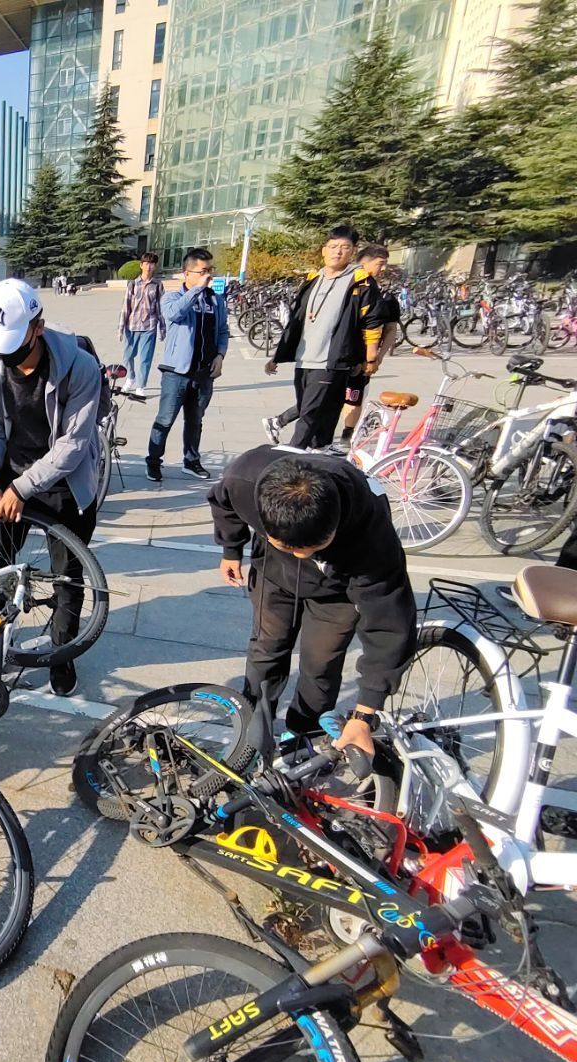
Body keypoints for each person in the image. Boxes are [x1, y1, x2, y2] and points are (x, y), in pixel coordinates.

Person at [209, 447, 417, 760]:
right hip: (273, 576)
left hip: (337, 592)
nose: (301, 556)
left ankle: (302, 738)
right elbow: (222, 501)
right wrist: (231, 549)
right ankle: (251, 727)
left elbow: (390, 623)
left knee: (320, 666)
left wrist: (364, 714)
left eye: (314, 547)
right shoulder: (245, 478)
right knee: (266, 649)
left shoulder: (371, 533)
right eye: (289, 547)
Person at [0, 278, 104, 697]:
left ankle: (61, 655)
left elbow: (73, 445)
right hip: (12, 477)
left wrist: (23, 488)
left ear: (38, 328)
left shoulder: (80, 367)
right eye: (1, 346)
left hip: (65, 484)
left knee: (68, 577)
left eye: (15, 345)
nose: (7, 356)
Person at [261, 225, 385, 450]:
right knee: (319, 412)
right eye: (333, 246)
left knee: (309, 414)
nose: (338, 251)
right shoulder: (313, 279)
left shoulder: (361, 282)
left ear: (352, 251)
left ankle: (291, 455)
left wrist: (371, 357)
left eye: (344, 247)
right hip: (304, 359)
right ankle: (320, 451)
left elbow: (372, 322)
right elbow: (297, 320)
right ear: (324, 250)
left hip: (332, 360)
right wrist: (278, 356)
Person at [146, 247, 227, 483]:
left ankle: (191, 461)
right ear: (187, 273)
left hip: (204, 373)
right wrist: (197, 290)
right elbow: (174, 314)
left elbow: (223, 331)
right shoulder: (172, 297)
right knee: (165, 419)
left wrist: (220, 355)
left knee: (195, 421)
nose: (208, 276)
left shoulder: (216, 301)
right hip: (176, 373)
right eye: (202, 271)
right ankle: (153, 462)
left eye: (210, 270)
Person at [335, 245, 401, 447]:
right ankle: (284, 421)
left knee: (353, 398)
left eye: (385, 264)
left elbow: (390, 330)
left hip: (362, 358)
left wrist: (376, 357)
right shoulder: (344, 288)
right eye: (380, 264)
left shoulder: (385, 297)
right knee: (322, 395)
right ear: (364, 262)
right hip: (337, 353)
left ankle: (346, 437)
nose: (384, 269)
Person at [118, 251, 166, 399]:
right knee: (127, 356)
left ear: (155, 266)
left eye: (152, 264)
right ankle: (131, 377)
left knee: (145, 359)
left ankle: (141, 386)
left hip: (149, 327)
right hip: (132, 325)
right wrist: (121, 327)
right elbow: (126, 306)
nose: (149, 267)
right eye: (146, 263)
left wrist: (162, 328)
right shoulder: (133, 284)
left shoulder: (157, 285)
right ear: (141, 265)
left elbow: (161, 307)